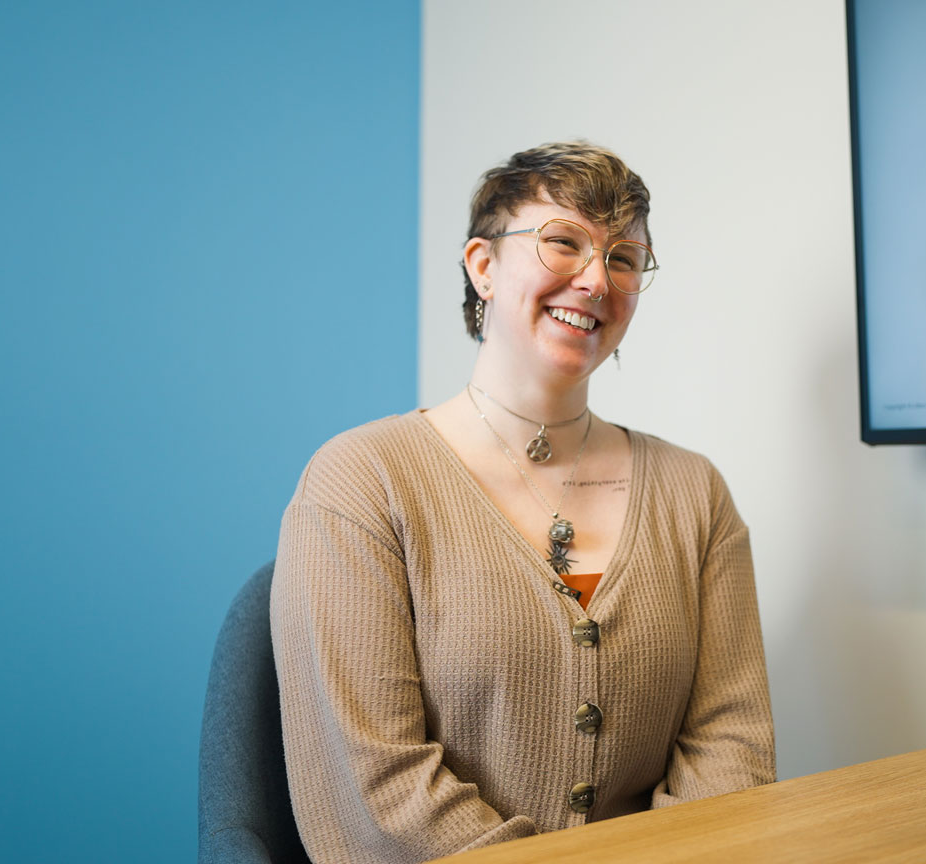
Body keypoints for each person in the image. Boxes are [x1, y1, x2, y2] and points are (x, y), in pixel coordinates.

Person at [270, 141, 775, 862]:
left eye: (625, 258)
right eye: (562, 243)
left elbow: (733, 745)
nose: (598, 281)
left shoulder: (696, 494)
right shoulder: (359, 483)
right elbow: (377, 787)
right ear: (483, 266)